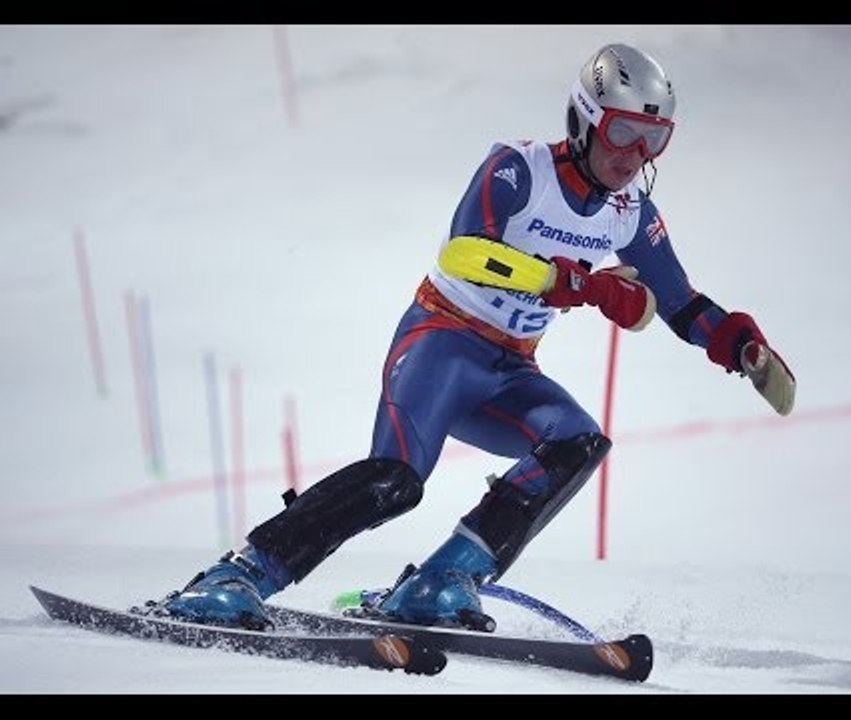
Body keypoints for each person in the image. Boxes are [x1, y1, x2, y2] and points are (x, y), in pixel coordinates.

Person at [151, 42, 796, 631]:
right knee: (396, 481)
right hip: (441, 341)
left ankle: (441, 581)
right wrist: (576, 284)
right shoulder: (518, 168)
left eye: (654, 139)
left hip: (510, 369)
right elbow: (466, 253)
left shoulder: (632, 214)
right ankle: (236, 576)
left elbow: (682, 304)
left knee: (577, 444)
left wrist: (736, 344)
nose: (634, 155)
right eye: (622, 131)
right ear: (583, 119)